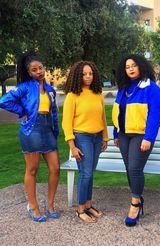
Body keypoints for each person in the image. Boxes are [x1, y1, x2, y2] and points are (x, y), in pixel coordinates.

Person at [0, 51, 60, 222]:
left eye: (40, 68)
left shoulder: (50, 89)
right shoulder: (24, 87)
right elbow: (3, 101)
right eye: (34, 70)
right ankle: (33, 207)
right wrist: (21, 111)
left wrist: (55, 132)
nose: (39, 71)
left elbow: (53, 112)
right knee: (32, 170)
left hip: (48, 130)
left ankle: (50, 205)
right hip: (31, 131)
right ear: (29, 72)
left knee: (55, 168)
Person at [112, 54, 160, 226]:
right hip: (124, 135)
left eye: (134, 65)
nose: (131, 69)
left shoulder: (151, 88)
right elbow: (119, 112)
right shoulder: (123, 88)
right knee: (129, 168)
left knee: (134, 168)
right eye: (127, 67)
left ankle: (135, 203)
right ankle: (137, 198)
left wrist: (148, 138)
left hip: (141, 135)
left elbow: (155, 115)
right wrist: (115, 133)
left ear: (141, 66)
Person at [62, 61, 108, 223]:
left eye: (90, 73)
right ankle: (80, 208)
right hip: (82, 138)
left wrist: (104, 137)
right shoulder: (72, 95)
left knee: (90, 172)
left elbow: (102, 118)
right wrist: (72, 146)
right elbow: (66, 123)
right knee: (86, 173)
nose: (88, 76)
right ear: (77, 76)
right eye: (84, 74)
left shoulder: (98, 94)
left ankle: (88, 205)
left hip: (96, 138)